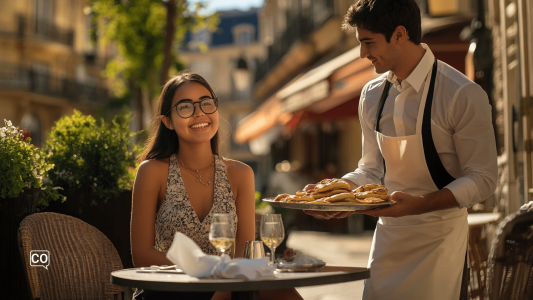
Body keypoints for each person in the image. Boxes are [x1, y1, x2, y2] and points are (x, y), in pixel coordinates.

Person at [306, 1, 498, 299]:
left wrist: (419, 205)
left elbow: (483, 178)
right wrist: (336, 193)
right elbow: (370, 169)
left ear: (399, 34)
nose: (362, 54)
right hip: (389, 236)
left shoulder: (461, 93)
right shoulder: (371, 95)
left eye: (368, 43)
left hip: (440, 236)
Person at [131, 71, 303, 300]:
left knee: (284, 292)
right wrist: (209, 274)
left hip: (226, 285)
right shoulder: (152, 171)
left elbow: (244, 252)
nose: (199, 112)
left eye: (206, 103)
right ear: (168, 121)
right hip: (169, 288)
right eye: (185, 107)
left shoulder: (241, 173)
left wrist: (221, 288)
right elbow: (142, 255)